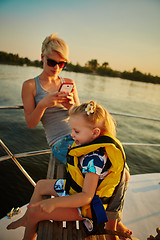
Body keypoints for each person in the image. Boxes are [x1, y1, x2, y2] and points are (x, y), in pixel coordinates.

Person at [7, 101, 132, 240]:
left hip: (86, 207)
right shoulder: (88, 145)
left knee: (36, 213)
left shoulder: (94, 160)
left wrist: (53, 203)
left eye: (76, 131)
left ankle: (30, 226)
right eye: (72, 130)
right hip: (75, 189)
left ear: (95, 133)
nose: (72, 135)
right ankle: (27, 219)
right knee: (41, 184)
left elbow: (86, 197)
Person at [21, 33, 80, 163]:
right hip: (60, 141)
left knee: (112, 153)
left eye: (61, 64)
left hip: (81, 135)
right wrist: (43, 104)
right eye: (52, 62)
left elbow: (82, 118)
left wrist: (72, 107)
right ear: (43, 57)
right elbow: (31, 123)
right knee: (93, 166)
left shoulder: (69, 83)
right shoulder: (30, 85)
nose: (56, 68)